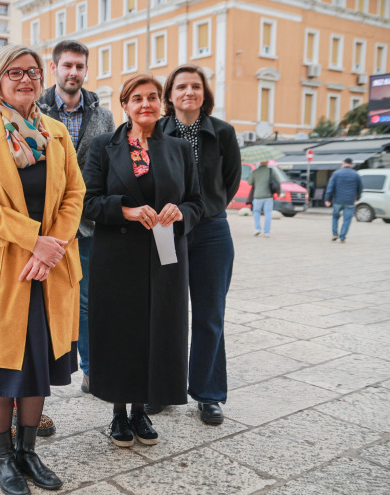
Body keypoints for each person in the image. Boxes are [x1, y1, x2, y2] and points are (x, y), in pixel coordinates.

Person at [0, 44, 84, 495]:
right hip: (4, 270)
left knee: (36, 366)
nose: (26, 79)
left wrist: (52, 249)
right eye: (15, 72)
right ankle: (3, 456)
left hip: (49, 269)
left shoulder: (55, 133)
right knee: (1, 366)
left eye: (32, 72)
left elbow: (75, 193)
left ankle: (29, 451)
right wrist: (35, 240)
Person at [83, 74, 203, 448]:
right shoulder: (104, 146)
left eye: (152, 97)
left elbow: (198, 203)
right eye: (137, 98)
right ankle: (119, 411)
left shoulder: (179, 149)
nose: (146, 104)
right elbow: (87, 202)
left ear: (162, 104)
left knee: (157, 332)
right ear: (125, 104)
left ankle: (141, 410)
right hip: (117, 257)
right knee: (121, 333)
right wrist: (128, 211)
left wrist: (180, 212)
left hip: (164, 257)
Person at [158, 64, 241, 425]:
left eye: (196, 86)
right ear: (170, 94)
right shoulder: (157, 130)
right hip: (168, 230)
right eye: (181, 87)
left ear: (204, 93)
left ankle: (208, 394)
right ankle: (161, 389)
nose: (189, 92)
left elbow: (230, 181)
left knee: (209, 315)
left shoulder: (222, 131)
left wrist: (207, 208)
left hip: (210, 232)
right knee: (165, 313)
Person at [37, 39, 115, 395]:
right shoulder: (34, 109)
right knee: (38, 301)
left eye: (80, 66)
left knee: (88, 301)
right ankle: (36, 378)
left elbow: (109, 169)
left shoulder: (103, 115)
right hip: (42, 224)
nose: (74, 72)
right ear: (54, 68)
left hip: (87, 223)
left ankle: (93, 370)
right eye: (67, 65)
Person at [324, 157, 363, 243]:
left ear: (344, 163)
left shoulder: (336, 173)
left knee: (335, 217)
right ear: (351, 165)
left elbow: (330, 187)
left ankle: (335, 234)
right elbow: (360, 188)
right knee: (347, 220)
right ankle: (342, 236)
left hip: (338, 200)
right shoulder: (356, 174)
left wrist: (328, 199)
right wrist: (358, 197)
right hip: (350, 201)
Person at [248, 160, 276, 237]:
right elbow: (277, 182)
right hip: (268, 196)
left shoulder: (255, 171)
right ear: (267, 163)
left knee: (256, 212)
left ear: (260, 163)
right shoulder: (271, 171)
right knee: (268, 213)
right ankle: (266, 232)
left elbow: (249, 182)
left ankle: (257, 228)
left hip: (257, 196)